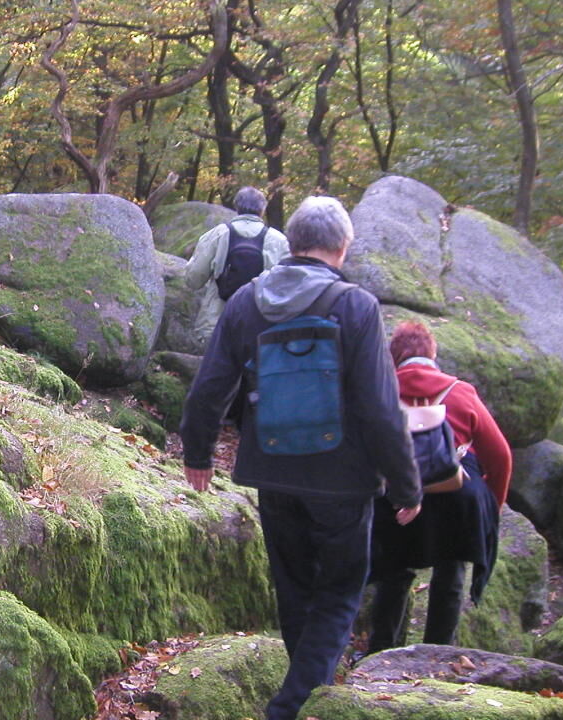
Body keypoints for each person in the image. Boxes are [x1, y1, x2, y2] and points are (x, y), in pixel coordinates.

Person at [179, 195, 422, 720]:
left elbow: (210, 386)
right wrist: (406, 486)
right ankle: (293, 705)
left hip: (274, 470)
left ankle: (308, 691)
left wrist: (198, 452)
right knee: (338, 593)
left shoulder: (246, 300)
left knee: (293, 587)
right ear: (342, 246)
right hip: (343, 478)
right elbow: (382, 411)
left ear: (291, 242)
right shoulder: (355, 306)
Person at [366, 320, 512, 654]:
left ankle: (380, 653)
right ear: (433, 353)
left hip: (399, 497)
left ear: (394, 357)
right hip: (454, 493)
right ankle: (437, 657)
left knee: (393, 572)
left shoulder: (381, 390)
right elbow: (500, 456)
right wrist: (493, 506)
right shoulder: (461, 391)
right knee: (450, 574)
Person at [184, 186, 290, 347]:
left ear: (237, 207)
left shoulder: (217, 234)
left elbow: (193, 279)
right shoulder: (279, 241)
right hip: (262, 329)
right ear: (262, 210)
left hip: (216, 326)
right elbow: (287, 288)